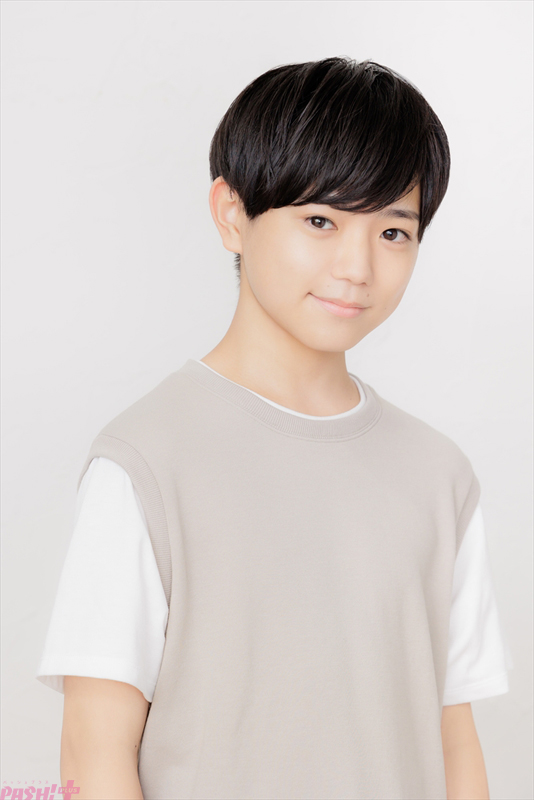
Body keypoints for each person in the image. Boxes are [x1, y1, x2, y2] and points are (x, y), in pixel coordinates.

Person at [36, 57, 512, 799]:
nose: (357, 266)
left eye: (393, 231)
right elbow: (93, 752)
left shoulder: (438, 475)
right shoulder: (146, 461)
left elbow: (453, 738)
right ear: (232, 213)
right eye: (321, 221)